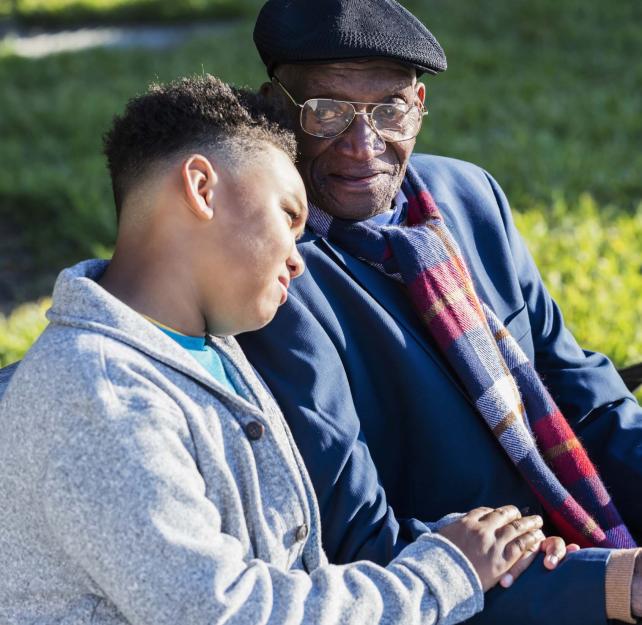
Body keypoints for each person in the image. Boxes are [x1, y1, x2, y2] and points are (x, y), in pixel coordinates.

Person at [0, 75, 574, 625]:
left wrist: (489, 550)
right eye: (288, 216)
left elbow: (294, 571)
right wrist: (445, 574)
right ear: (202, 188)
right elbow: (229, 613)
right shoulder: (97, 394)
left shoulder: (209, 353)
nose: (299, 260)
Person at [237, 1, 642, 624]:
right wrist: (616, 584)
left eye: (389, 109)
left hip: (579, 540)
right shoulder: (276, 277)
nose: (361, 144)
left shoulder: (467, 196)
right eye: (328, 111)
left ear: (420, 107)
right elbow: (359, 544)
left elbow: (583, 397)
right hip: (475, 594)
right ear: (275, 108)